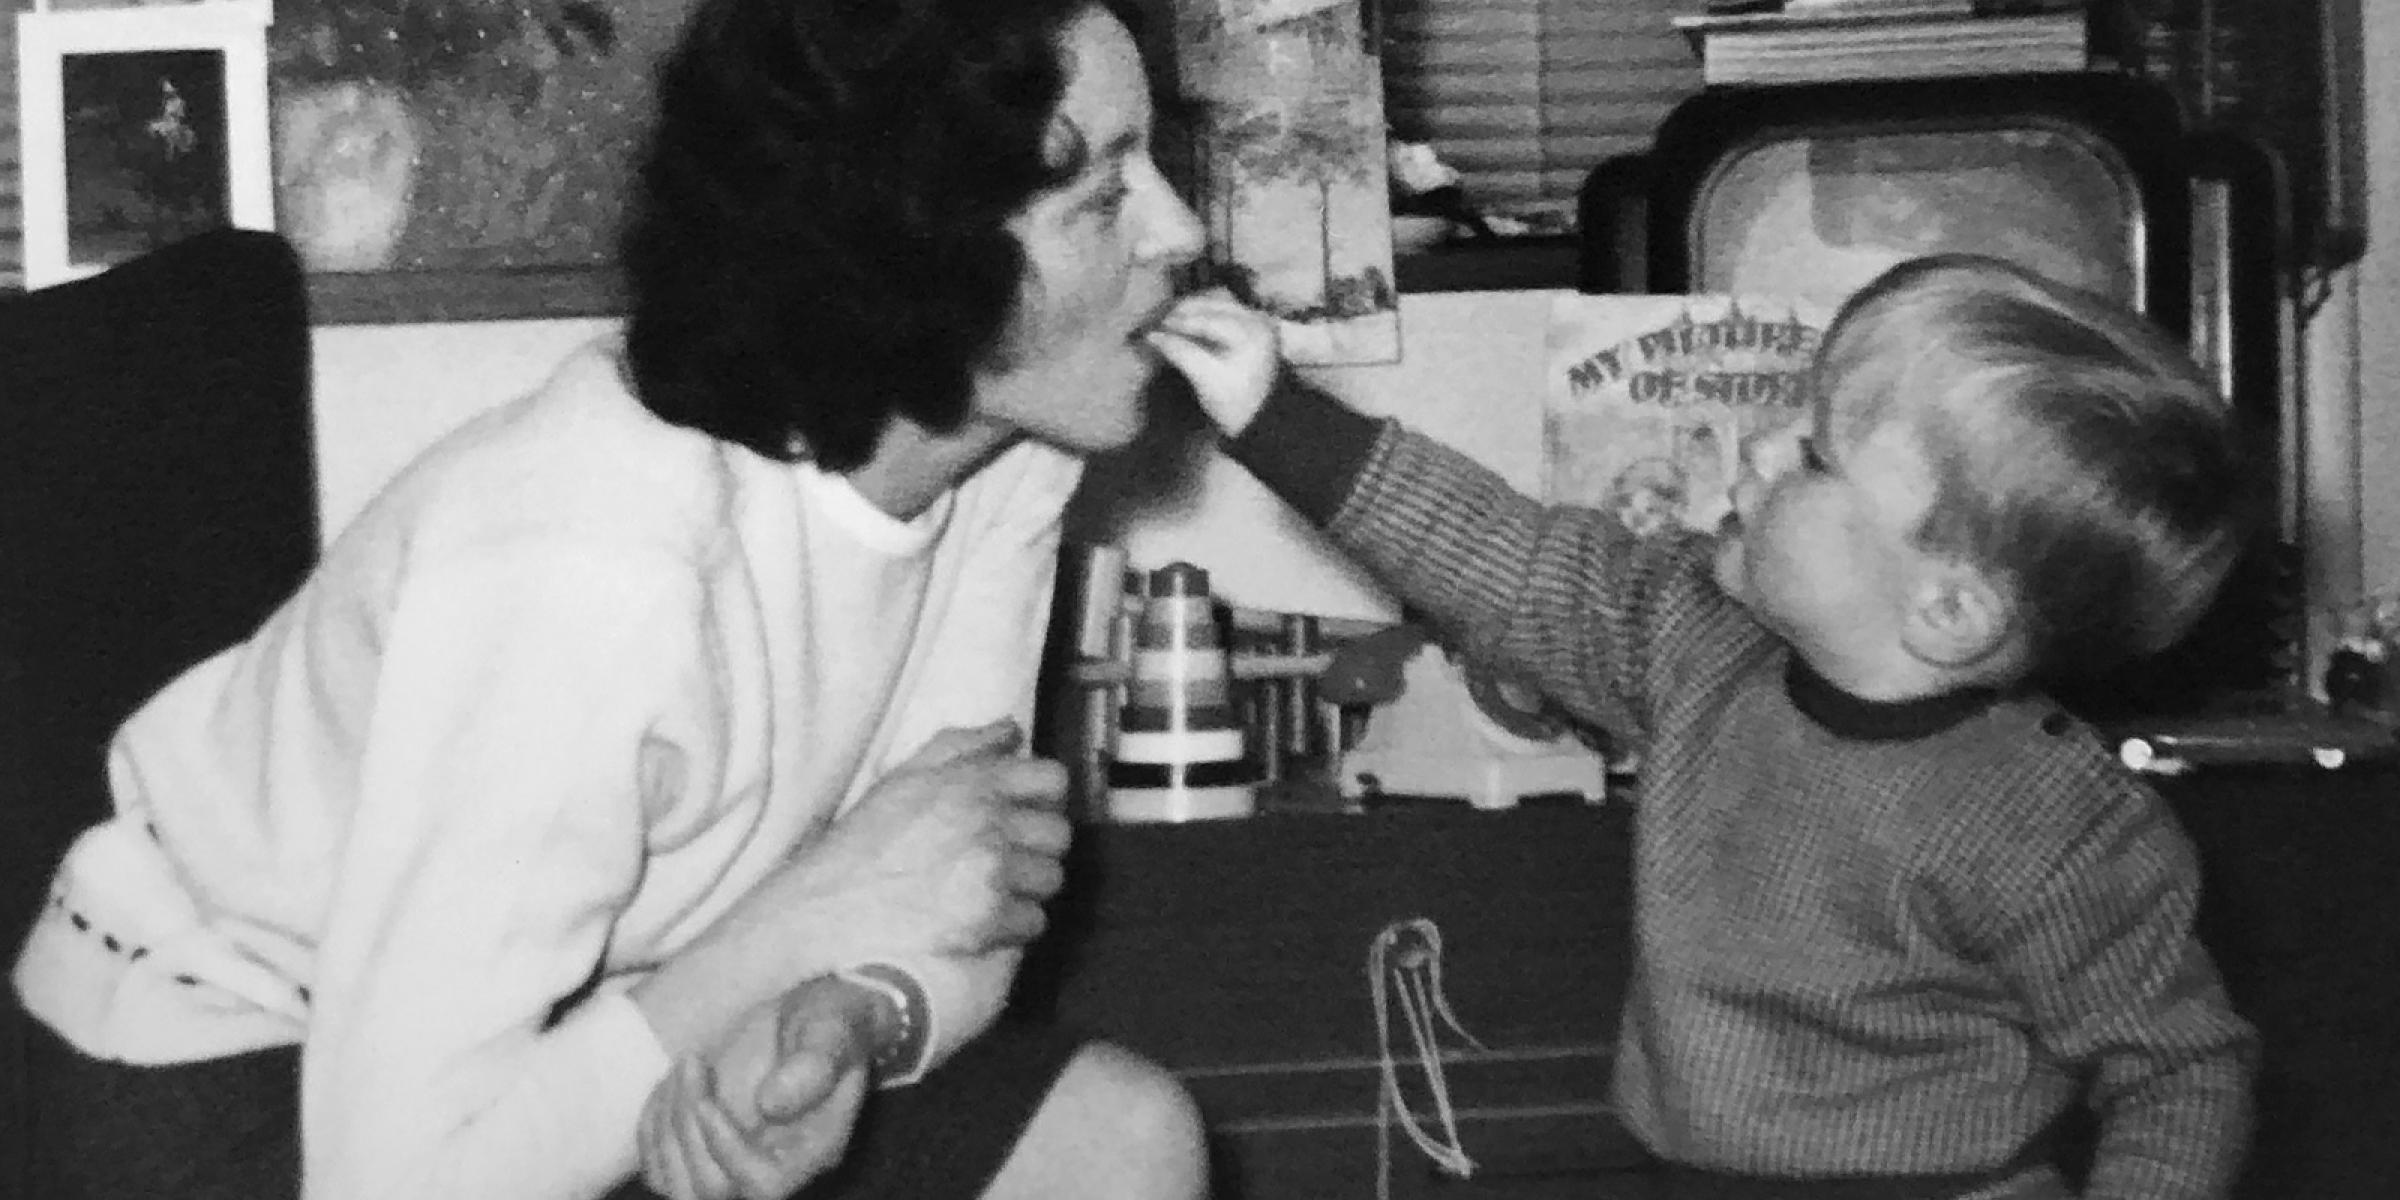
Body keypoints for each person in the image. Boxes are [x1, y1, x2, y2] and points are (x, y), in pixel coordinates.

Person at [11, 1, 1213, 1198]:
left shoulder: (1008, 456)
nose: (1181, 229)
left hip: (614, 1014)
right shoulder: (591, 561)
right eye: (1102, 199)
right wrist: (796, 929)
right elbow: (396, 1180)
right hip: (236, 1078)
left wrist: (845, 1019)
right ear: (911, 250)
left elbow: (952, 885)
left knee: (1117, 1133)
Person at [1149, 253, 2261, 1199]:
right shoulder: (1697, 646)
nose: (1764, 447)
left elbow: (2178, 1069)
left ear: (1951, 609)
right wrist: (1273, 415)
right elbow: (1511, 563)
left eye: (1816, 452)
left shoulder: (2058, 830)